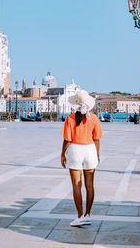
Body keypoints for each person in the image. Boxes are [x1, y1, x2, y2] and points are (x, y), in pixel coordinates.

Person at [61, 90, 102, 227]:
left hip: (75, 150)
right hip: (90, 149)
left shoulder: (70, 118)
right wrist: (97, 153)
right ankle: (88, 214)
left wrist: (62, 154)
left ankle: (79, 216)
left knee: (76, 185)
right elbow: (96, 139)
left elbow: (67, 140)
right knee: (90, 185)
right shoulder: (94, 118)